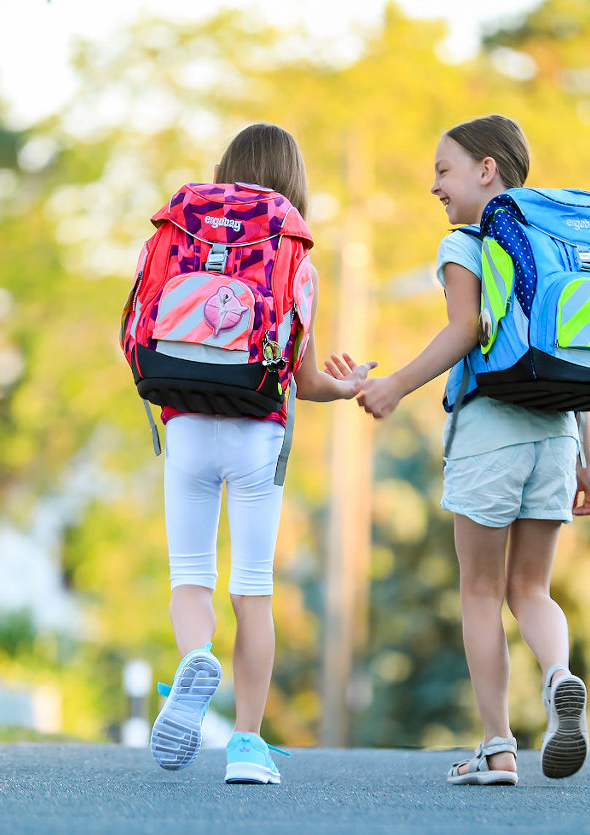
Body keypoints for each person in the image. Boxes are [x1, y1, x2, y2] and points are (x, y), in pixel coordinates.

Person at [329, 114, 590, 785]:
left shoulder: (468, 244)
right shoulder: (558, 248)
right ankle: (560, 673)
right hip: (556, 436)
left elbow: (461, 332)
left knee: (480, 592)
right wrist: (586, 463)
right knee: (531, 588)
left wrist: (394, 385)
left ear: (487, 170)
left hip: (489, 438)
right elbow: (578, 363)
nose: (435, 186)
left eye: (444, 170)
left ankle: (498, 748)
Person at [146, 123, 376, 785]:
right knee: (253, 591)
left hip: (186, 419)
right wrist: (347, 384)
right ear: (293, 180)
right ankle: (246, 743)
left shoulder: (184, 229)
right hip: (257, 428)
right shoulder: (293, 248)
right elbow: (302, 378)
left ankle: (195, 657)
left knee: (190, 577)